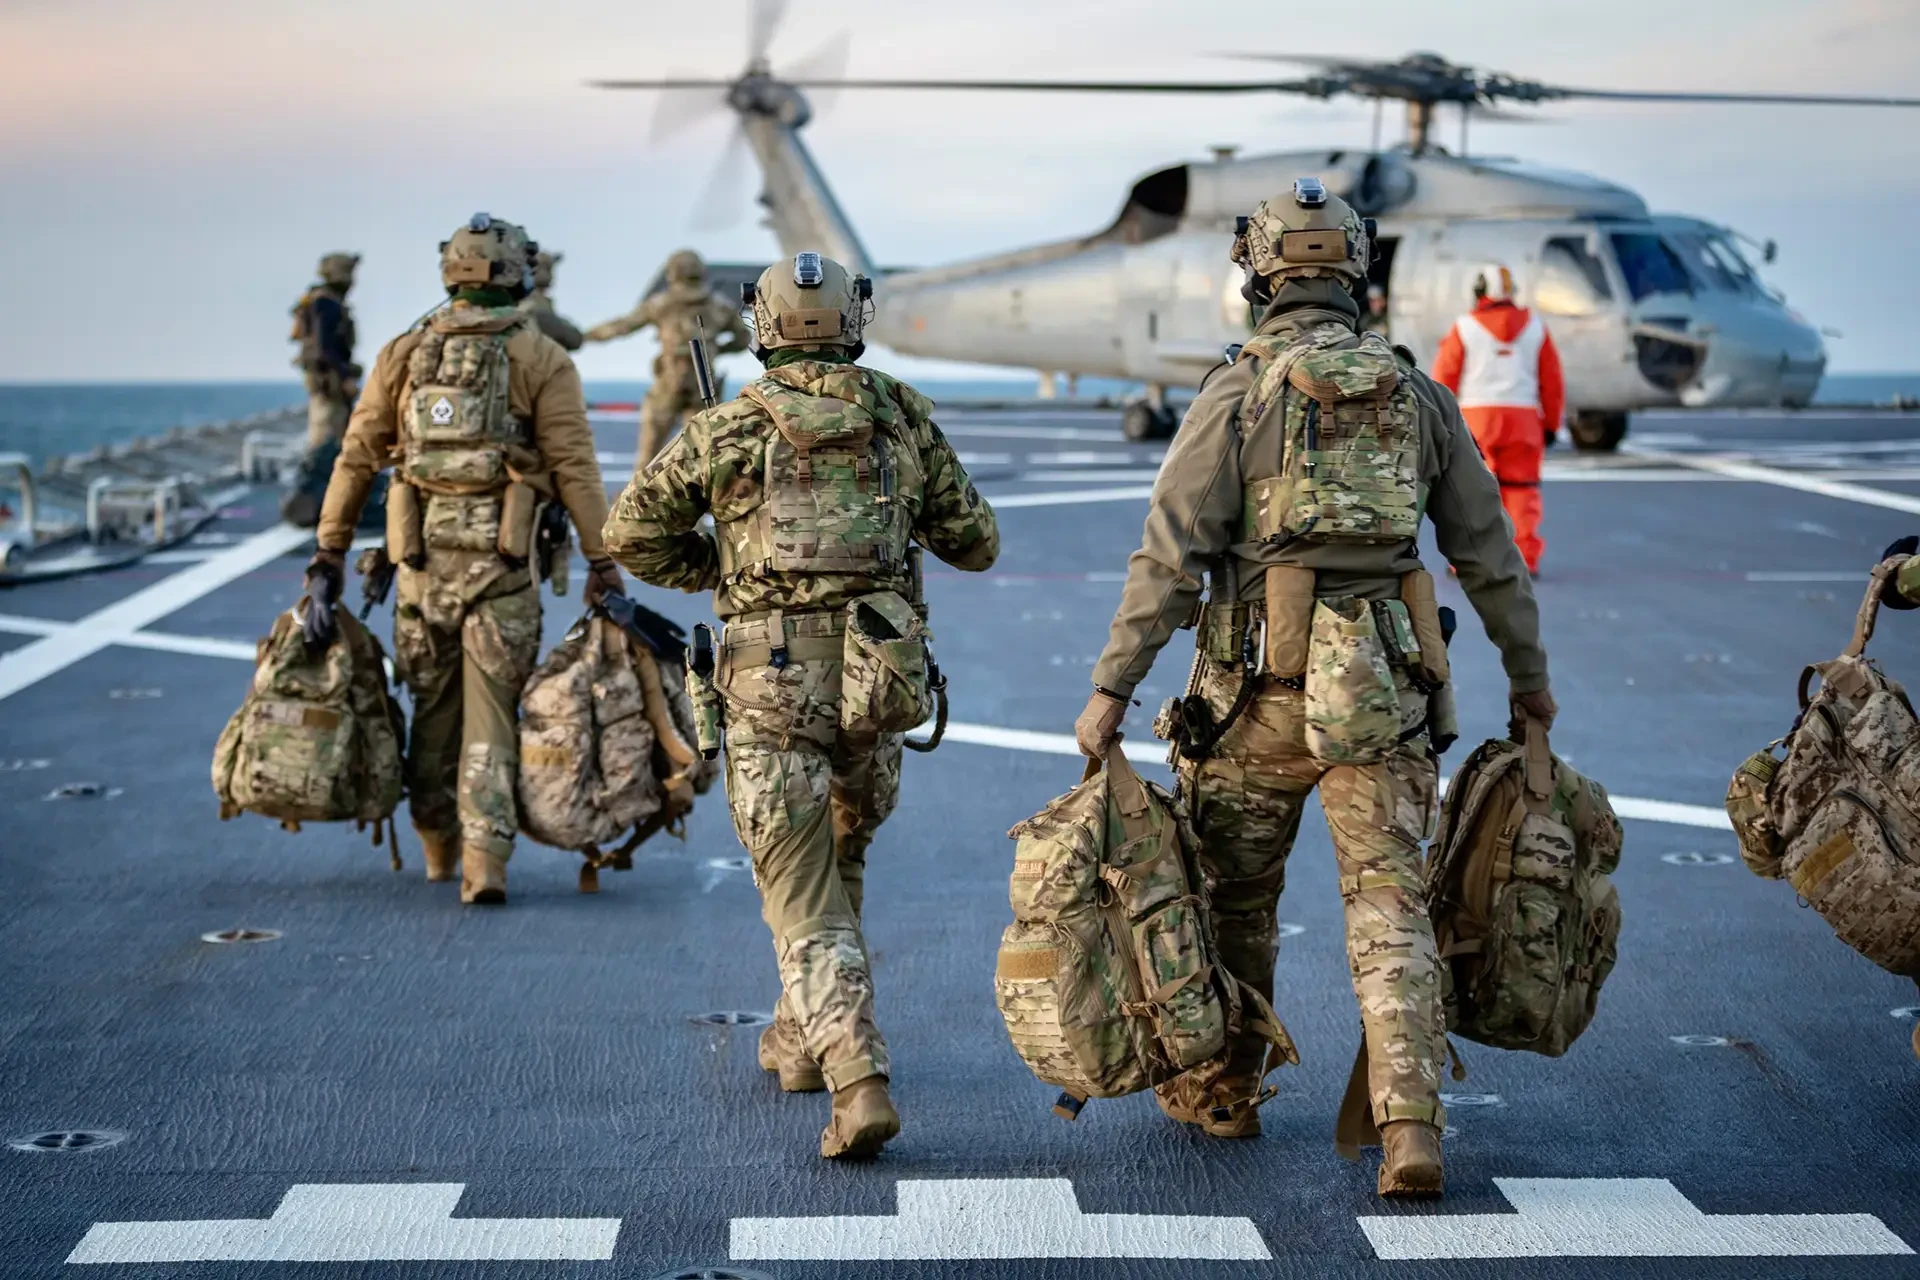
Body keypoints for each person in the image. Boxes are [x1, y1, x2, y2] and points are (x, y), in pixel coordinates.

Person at [1073, 180, 1553, 1199]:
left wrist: (1113, 688)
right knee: (1389, 903)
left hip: (1252, 702)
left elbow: (1169, 556)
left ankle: (1227, 1089)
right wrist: (1531, 686)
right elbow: (1490, 556)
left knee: (1234, 897)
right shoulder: (1417, 394)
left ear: (1260, 273)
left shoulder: (1237, 392)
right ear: (1356, 271)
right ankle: (1410, 1122)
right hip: (1384, 700)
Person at [603, 251, 999, 1160]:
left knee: (798, 884)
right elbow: (976, 542)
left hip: (768, 681)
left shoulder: (728, 426)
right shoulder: (901, 414)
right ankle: (800, 1039)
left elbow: (631, 534)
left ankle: (857, 1078)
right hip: (877, 679)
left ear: (764, 324)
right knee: (840, 855)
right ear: (853, 320)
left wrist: (723, 567)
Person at [306, 213, 620, 905]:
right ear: (516, 273)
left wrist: (329, 551)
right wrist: (602, 563)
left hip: (420, 572)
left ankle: (437, 848)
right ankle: (486, 864)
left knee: (433, 710)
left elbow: (356, 457)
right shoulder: (541, 357)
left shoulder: (402, 353)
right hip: (503, 571)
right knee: (493, 715)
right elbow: (574, 467)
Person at [1432, 264, 1564, 575]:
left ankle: (1469, 560)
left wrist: (1439, 423)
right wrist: (1551, 424)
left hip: (1476, 421)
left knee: (1472, 492)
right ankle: (1523, 559)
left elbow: (1444, 379)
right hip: (1524, 421)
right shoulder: (1536, 327)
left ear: (1479, 292)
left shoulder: (1464, 327)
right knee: (1522, 491)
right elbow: (1552, 382)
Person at [583, 249, 753, 466]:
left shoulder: (661, 304)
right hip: (703, 387)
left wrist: (584, 336)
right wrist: (716, 350)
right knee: (705, 456)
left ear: (672, 273)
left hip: (668, 384)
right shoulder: (718, 306)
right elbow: (743, 338)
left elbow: (622, 326)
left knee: (649, 456)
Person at [291, 253, 362, 448]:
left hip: (325, 381)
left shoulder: (319, 300)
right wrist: (345, 377)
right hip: (329, 382)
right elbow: (325, 346)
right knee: (326, 438)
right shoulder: (326, 303)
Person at [520, 250, 584, 351]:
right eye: (543, 267)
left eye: (548, 268)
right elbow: (569, 336)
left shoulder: (543, 301)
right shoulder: (525, 299)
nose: (546, 272)